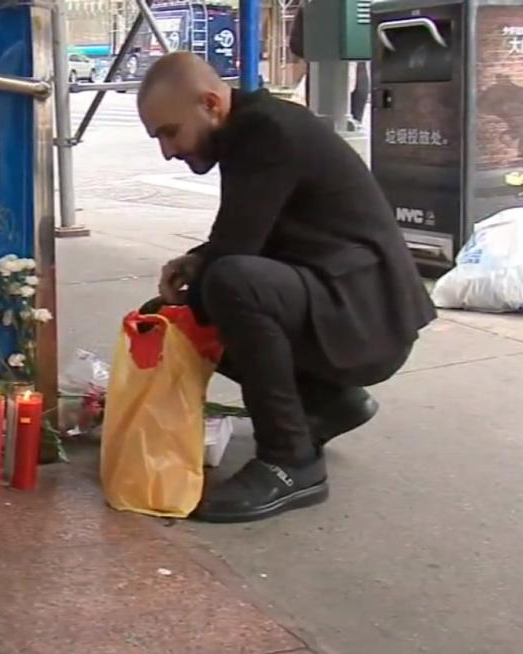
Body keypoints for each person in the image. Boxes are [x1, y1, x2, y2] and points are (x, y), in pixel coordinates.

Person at [136, 52, 436, 523]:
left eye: (170, 132)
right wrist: (192, 267)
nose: (167, 151)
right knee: (196, 298)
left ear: (211, 104)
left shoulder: (264, 134)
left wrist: (173, 312)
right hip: (346, 303)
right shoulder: (251, 129)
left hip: (367, 318)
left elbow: (237, 253)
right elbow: (250, 231)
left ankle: (290, 461)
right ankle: (327, 403)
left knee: (227, 288)